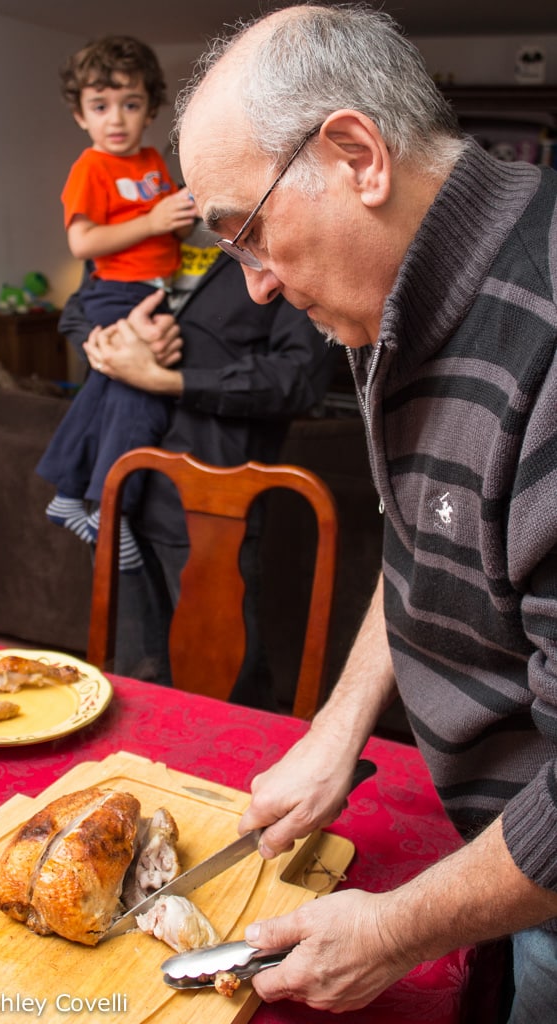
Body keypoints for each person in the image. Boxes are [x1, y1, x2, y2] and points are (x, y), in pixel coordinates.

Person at [174, 4, 557, 1019]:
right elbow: (425, 537)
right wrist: (336, 726)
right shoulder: (391, 293)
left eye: (246, 234)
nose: (251, 288)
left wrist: (390, 931)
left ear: (355, 154)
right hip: (500, 844)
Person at [61, 214, 335, 710]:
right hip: (119, 477)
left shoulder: (287, 247)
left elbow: (298, 379)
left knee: (224, 675)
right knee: (131, 669)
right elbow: (78, 309)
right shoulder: (145, 224)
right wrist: (106, 342)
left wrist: (164, 379)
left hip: (211, 491)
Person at [37, 36, 196, 565]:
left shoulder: (152, 160)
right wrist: (152, 221)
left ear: (150, 108)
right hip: (115, 293)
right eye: (100, 107)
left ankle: (67, 496)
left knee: (108, 393)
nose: (116, 120)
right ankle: (111, 507)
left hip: (156, 291)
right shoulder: (91, 167)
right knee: (143, 397)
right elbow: (82, 243)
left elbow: (172, 228)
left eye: (130, 105)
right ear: (80, 115)